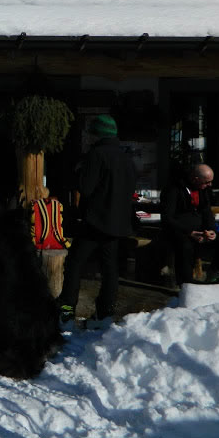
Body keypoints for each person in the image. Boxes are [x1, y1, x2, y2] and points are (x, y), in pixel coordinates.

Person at [57, 115, 137, 325]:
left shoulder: (96, 155)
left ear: (98, 134)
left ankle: (66, 308)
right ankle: (105, 311)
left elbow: (86, 188)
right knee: (110, 269)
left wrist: (79, 174)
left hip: (94, 221)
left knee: (74, 264)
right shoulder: (126, 157)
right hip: (117, 222)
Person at [160, 163, 219, 286]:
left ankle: (218, 273)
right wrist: (189, 232)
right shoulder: (174, 189)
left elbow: (207, 212)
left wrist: (211, 230)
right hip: (180, 231)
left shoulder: (203, 190)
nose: (209, 185)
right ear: (196, 179)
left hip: (200, 230)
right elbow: (168, 218)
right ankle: (186, 284)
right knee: (186, 247)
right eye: (206, 182)